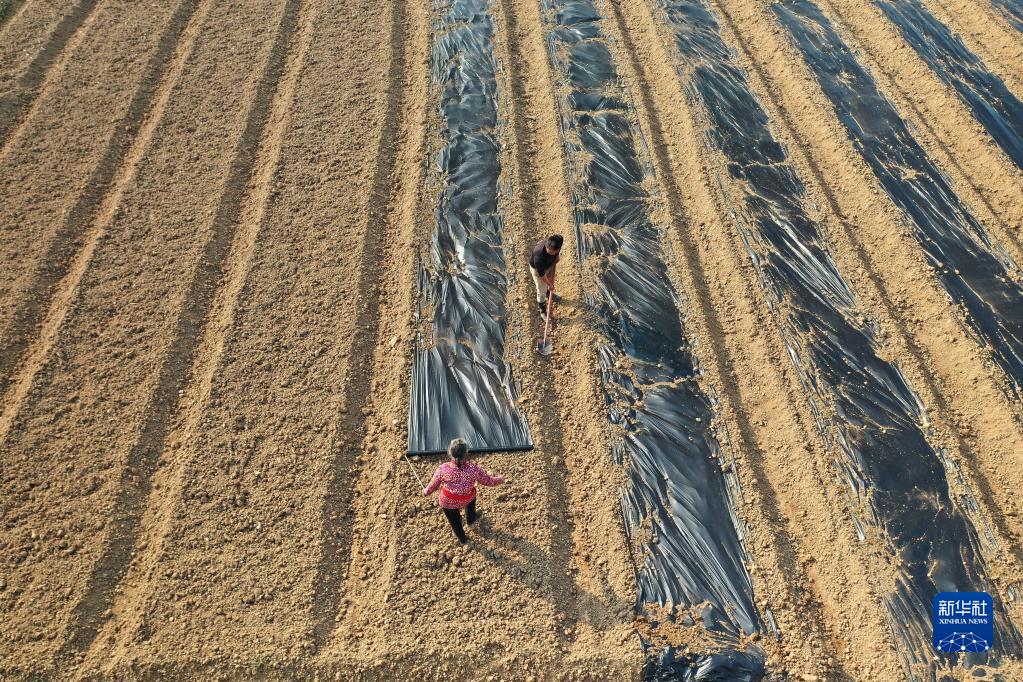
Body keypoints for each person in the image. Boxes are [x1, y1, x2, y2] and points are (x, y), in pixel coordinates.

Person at [423, 438, 505, 545]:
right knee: (472, 499)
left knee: (455, 522)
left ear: (450, 452)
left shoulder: (443, 468)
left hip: (448, 502)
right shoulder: (474, 469)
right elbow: (488, 481)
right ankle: (471, 520)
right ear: (466, 453)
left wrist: (426, 492)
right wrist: (500, 479)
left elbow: (432, 486)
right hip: (467, 498)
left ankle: (463, 539)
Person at [529, 234, 563, 317]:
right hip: (538, 271)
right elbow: (542, 276)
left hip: (548, 265)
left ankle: (548, 293)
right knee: (541, 291)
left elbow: (557, 252)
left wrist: (557, 257)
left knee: (547, 283)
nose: (548, 250)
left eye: (552, 251)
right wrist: (550, 284)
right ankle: (542, 311)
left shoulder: (557, 242)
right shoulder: (538, 256)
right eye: (548, 249)